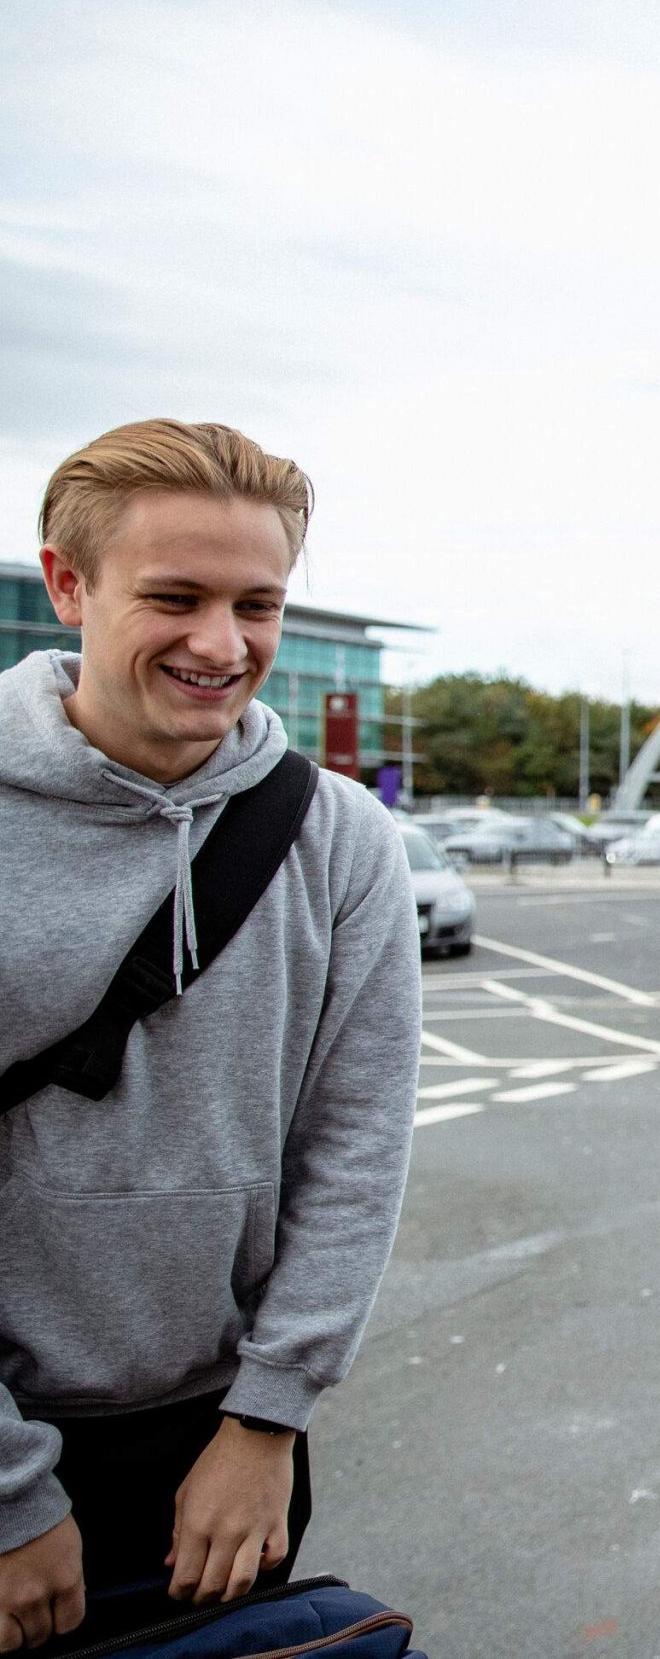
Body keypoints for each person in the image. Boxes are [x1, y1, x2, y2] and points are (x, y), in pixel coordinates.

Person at [0, 422, 420, 1651]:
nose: (222, 646)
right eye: (173, 598)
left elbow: (354, 1150)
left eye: (258, 604)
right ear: (67, 586)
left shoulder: (337, 835)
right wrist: (12, 1487)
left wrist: (268, 1421)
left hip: (217, 1443)